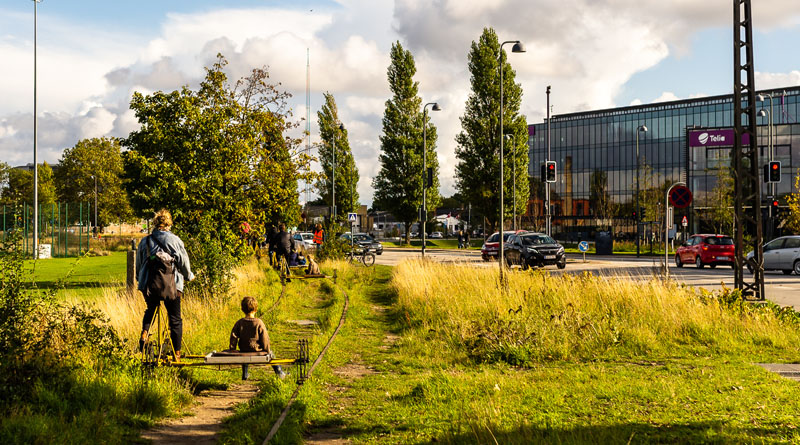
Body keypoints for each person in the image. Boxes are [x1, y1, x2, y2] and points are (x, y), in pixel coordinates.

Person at [137, 209, 195, 361]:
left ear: (156, 224)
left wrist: (140, 279)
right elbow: (183, 262)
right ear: (169, 224)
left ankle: (145, 332)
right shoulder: (175, 240)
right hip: (172, 286)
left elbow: (139, 264)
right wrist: (189, 276)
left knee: (151, 309)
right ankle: (176, 353)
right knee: (175, 318)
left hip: (149, 284)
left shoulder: (145, 241)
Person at [229, 296, 287, 380]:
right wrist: (266, 350)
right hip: (257, 350)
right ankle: (280, 372)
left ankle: (245, 374)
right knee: (272, 354)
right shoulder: (259, 322)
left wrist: (232, 348)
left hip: (243, 349)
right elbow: (265, 338)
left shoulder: (239, 322)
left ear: (242, 309)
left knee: (244, 355)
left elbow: (233, 335)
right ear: (256, 309)